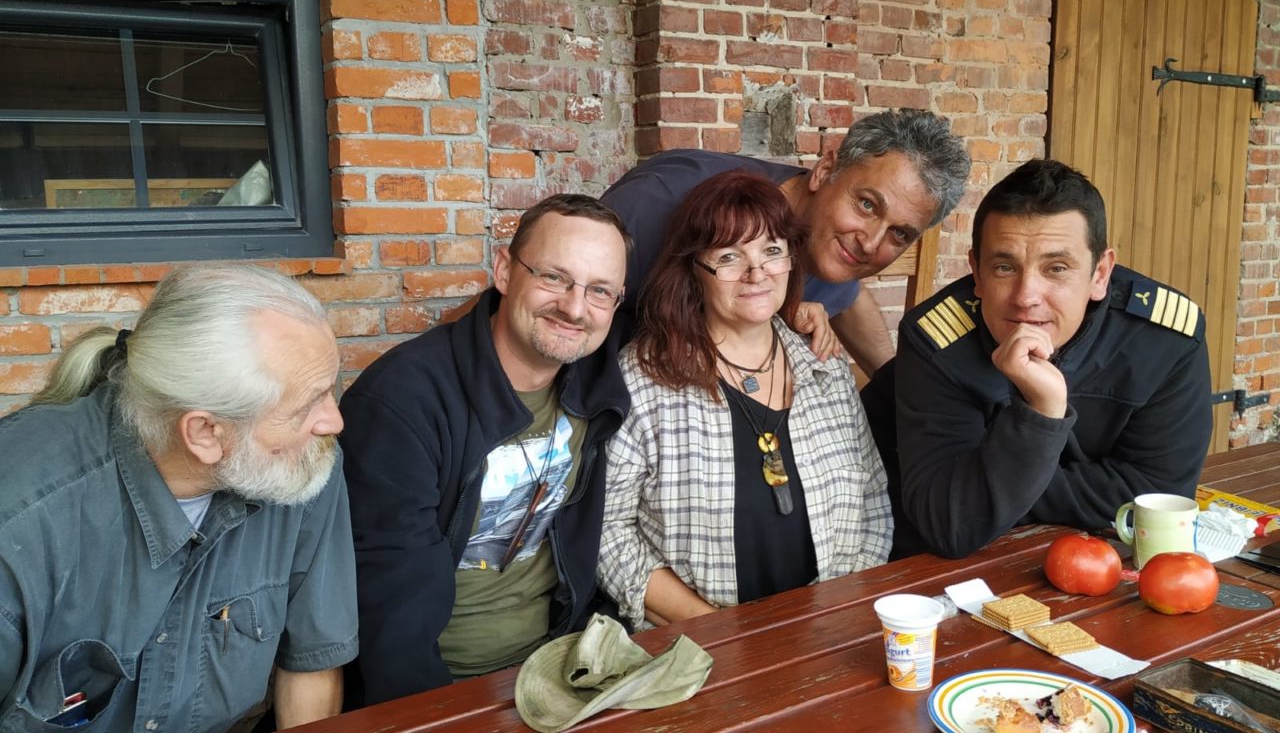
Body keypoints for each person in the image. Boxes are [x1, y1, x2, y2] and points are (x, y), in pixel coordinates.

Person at [0, 265, 357, 732]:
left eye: (329, 391)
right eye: (307, 404)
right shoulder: (21, 520)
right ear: (205, 432)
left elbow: (312, 658)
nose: (333, 422)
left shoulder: (304, 464)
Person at [340, 195, 632, 704]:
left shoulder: (596, 379)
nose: (574, 308)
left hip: (562, 666)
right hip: (446, 687)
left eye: (600, 290)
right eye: (554, 277)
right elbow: (390, 614)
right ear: (503, 271)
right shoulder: (402, 401)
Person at [865, 159, 1213, 559]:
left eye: (1056, 268)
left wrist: (999, 488)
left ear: (1101, 274)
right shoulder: (936, 343)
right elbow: (951, 522)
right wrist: (1043, 411)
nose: (1026, 296)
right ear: (976, 272)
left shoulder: (1165, 339)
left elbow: (1159, 501)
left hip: (1083, 562)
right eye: (1004, 267)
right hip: (918, 564)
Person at [596, 171, 893, 629]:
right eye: (729, 256)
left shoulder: (826, 368)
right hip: (701, 645)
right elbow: (607, 532)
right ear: (694, 269)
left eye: (772, 251)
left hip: (830, 633)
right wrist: (721, 635)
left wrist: (839, 615)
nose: (757, 274)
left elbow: (873, 501)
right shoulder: (643, 380)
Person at [600, 108, 971, 373]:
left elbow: (849, 296)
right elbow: (575, 305)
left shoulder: (836, 252)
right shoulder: (660, 202)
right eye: (867, 204)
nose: (871, 243)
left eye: (900, 233)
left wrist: (896, 384)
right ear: (824, 171)